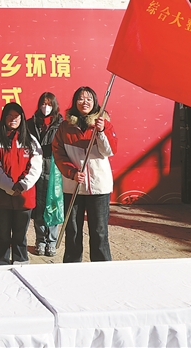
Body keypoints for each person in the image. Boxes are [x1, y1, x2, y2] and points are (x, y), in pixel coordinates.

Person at [53, 86, 117, 263]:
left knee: (99, 231)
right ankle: (72, 266)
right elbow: (58, 153)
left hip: (98, 187)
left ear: (95, 102)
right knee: (73, 230)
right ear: (75, 102)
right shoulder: (65, 127)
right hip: (73, 186)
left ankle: (102, 267)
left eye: (89, 99)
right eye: (81, 99)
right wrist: (72, 173)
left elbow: (109, 151)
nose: (85, 102)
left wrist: (101, 132)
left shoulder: (103, 124)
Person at [0, 102, 43, 265]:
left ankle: (21, 262)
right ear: (4, 118)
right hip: (2, 197)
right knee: (2, 235)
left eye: (16, 116)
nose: (13, 119)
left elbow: (36, 166)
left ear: (22, 118)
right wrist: (9, 187)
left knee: (20, 234)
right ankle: (1, 264)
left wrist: (23, 185)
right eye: (9, 115)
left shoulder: (30, 141)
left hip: (24, 197)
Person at [27, 92, 64, 257]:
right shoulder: (31, 123)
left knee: (53, 205)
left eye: (49, 104)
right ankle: (40, 241)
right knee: (39, 207)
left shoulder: (61, 124)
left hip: (54, 169)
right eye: (43, 103)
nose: (46, 107)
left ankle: (52, 242)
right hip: (36, 168)